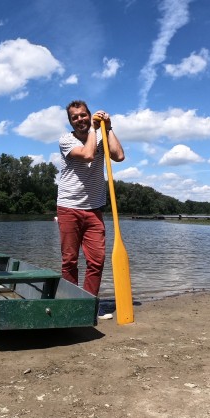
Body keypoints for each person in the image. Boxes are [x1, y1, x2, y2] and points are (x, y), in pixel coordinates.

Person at [57, 100, 125, 320]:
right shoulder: (66, 140)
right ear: (71, 121)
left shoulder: (100, 135)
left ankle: (89, 305)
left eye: (83, 115)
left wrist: (109, 127)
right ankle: (69, 305)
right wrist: (96, 130)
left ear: (88, 115)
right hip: (69, 206)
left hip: (94, 208)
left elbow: (119, 156)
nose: (80, 120)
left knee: (96, 260)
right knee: (70, 260)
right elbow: (87, 154)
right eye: (75, 117)